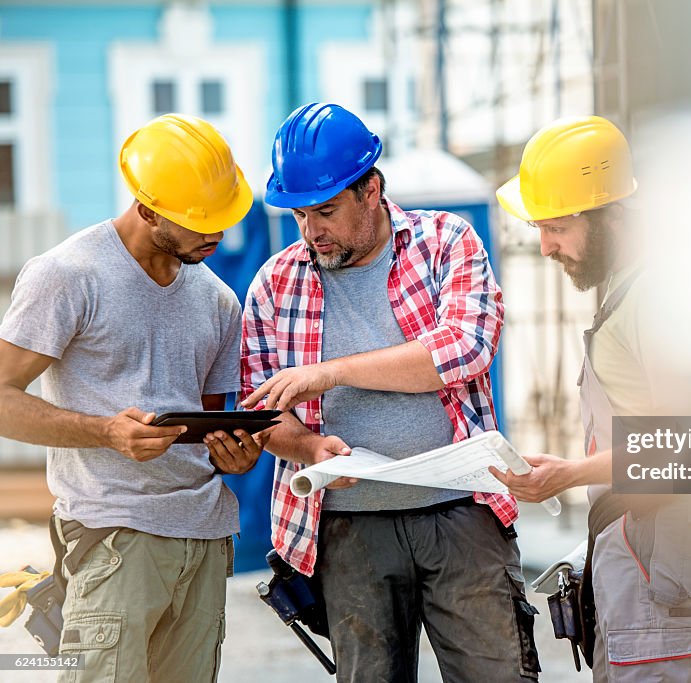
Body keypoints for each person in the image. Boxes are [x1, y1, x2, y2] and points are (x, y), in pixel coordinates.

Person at [238, 102, 540, 682]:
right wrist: (307, 449)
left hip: (461, 515)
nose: (311, 231)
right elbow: (262, 408)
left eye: (325, 211)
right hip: (348, 529)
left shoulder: (445, 241)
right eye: (300, 216)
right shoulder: (275, 282)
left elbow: (466, 346)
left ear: (371, 189)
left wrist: (331, 371)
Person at [0, 113, 264, 682]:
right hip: (113, 538)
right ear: (147, 210)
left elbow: (213, 426)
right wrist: (106, 432)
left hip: (203, 535)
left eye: (223, 219)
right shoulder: (68, 275)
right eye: (201, 223)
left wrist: (234, 454)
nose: (217, 236)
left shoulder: (218, 300)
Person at [491, 116, 691, 681]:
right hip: (641, 549)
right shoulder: (632, 292)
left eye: (555, 226)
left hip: (657, 556)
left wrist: (570, 474)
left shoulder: (658, 298)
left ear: (608, 216)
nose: (545, 246)